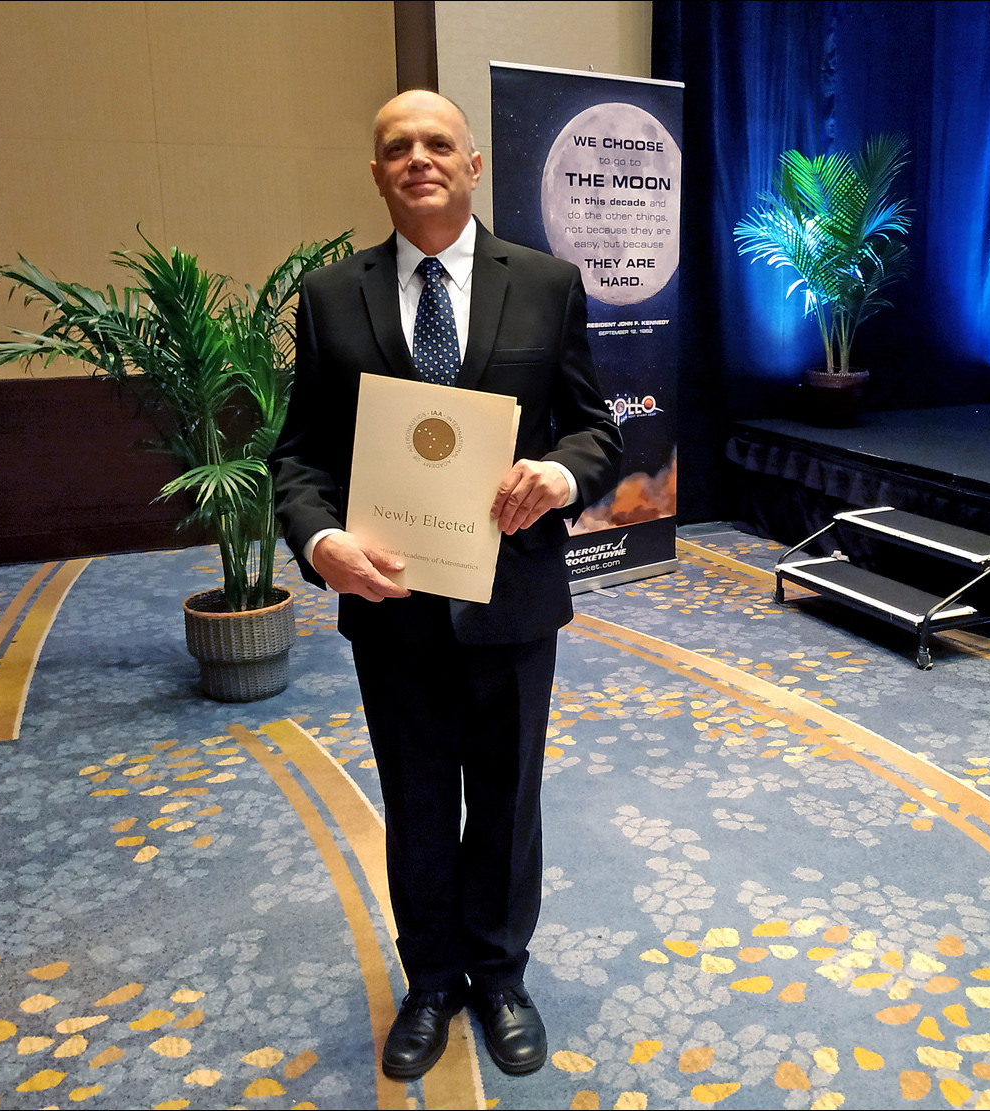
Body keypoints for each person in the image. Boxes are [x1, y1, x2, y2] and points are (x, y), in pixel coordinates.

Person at [269, 90, 622, 1080]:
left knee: (506, 801)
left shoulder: (546, 283)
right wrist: (320, 542)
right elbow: (298, 457)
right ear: (376, 173)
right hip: (391, 605)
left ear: (473, 165)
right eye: (397, 147)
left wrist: (559, 477)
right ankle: (429, 980)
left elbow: (594, 429)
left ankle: (500, 976)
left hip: (511, 597)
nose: (417, 158)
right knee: (417, 801)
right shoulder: (328, 296)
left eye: (437, 143)